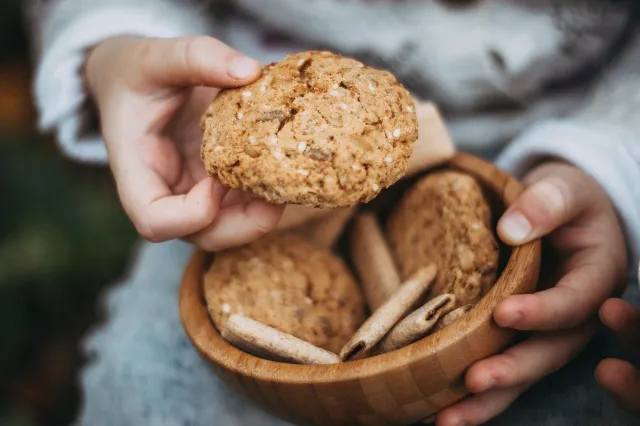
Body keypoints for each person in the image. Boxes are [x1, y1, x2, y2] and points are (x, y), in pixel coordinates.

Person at [26, 0, 640, 425]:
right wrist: (116, 50)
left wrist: (609, 158)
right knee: (144, 387)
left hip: (572, 156)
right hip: (226, 172)